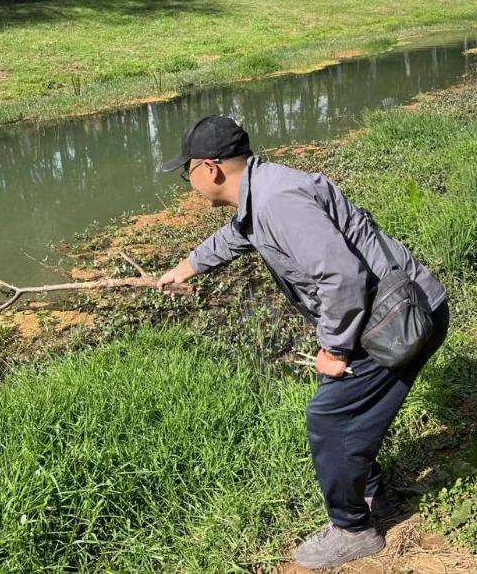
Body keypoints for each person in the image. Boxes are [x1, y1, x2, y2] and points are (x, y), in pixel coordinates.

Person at [156, 115, 449, 569]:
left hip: (400, 318)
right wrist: (186, 267)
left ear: (209, 168)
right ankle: (372, 494)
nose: (188, 182)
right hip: (391, 310)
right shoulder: (261, 190)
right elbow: (238, 234)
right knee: (344, 409)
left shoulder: (277, 201)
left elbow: (343, 278)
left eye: (186, 171)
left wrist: (334, 349)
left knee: (330, 417)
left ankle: (353, 530)